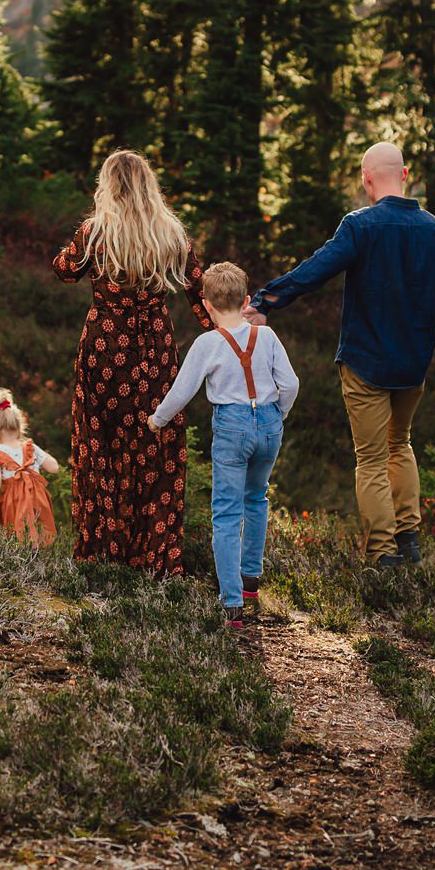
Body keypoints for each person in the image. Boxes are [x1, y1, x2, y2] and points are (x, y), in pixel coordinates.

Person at [246, 142, 435, 566]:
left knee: (371, 459)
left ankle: (382, 553)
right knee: (402, 443)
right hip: (414, 362)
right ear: (405, 174)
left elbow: (316, 269)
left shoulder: (361, 226)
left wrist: (265, 300)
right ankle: (409, 538)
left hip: (366, 360)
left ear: (366, 179)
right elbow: (432, 296)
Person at [52, 150, 211, 573]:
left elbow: (64, 270)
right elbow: (201, 295)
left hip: (104, 348)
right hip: (155, 351)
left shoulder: (95, 232)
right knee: (155, 448)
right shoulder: (171, 234)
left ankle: (104, 551)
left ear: (109, 186)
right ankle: (154, 555)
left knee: (100, 446)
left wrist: (79, 249)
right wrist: (232, 332)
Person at [147, 262, 300, 631]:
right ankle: (251, 583)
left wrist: (157, 420)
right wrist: (277, 415)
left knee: (228, 512)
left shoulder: (207, 343)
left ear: (207, 304)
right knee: (257, 498)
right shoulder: (267, 336)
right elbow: (291, 383)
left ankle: (231, 603)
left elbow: (183, 390)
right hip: (268, 425)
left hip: (231, 427)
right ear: (247, 300)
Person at [0, 387, 60, 546]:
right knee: (41, 532)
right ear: (19, 427)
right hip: (37, 496)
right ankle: (42, 559)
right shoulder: (30, 447)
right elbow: (54, 467)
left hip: (14, 500)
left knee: (18, 536)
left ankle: (24, 561)